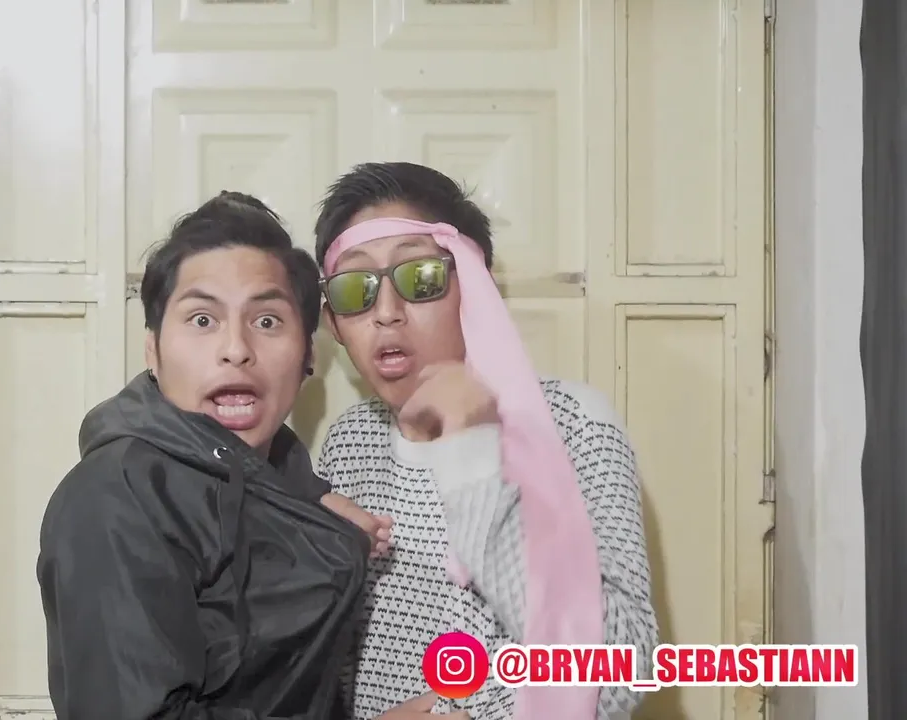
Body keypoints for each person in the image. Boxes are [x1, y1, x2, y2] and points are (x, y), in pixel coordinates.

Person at [36, 191, 414, 720]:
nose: (236, 349)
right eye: (202, 320)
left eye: (267, 321)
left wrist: (311, 504)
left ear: (307, 353)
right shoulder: (115, 498)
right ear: (153, 351)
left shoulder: (281, 475)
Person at [312, 163, 659, 720]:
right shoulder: (349, 443)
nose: (387, 314)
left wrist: (473, 457)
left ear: (476, 286)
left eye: (420, 277)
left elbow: (622, 672)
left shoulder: (574, 424)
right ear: (333, 322)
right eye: (356, 289)